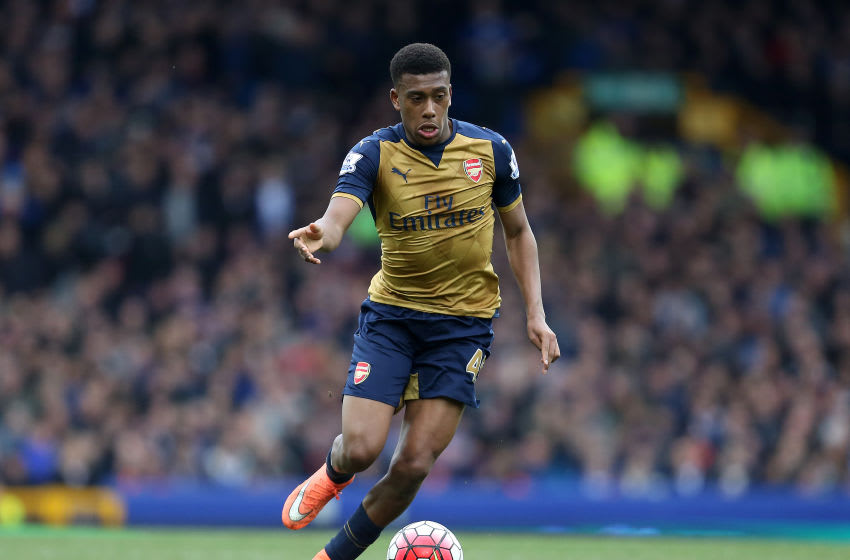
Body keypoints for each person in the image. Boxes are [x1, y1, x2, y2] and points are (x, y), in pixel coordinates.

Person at [282, 43, 560, 560]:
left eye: (437, 97)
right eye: (416, 99)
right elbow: (340, 213)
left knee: (412, 463)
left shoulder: (491, 151)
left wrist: (536, 315)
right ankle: (335, 470)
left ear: (450, 95)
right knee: (363, 449)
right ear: (396, 100)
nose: (428, 109)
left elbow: (519, 232)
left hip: (462, 326)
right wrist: (325, 230)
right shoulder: (374, 153)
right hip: (393, 319)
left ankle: (332, 557)